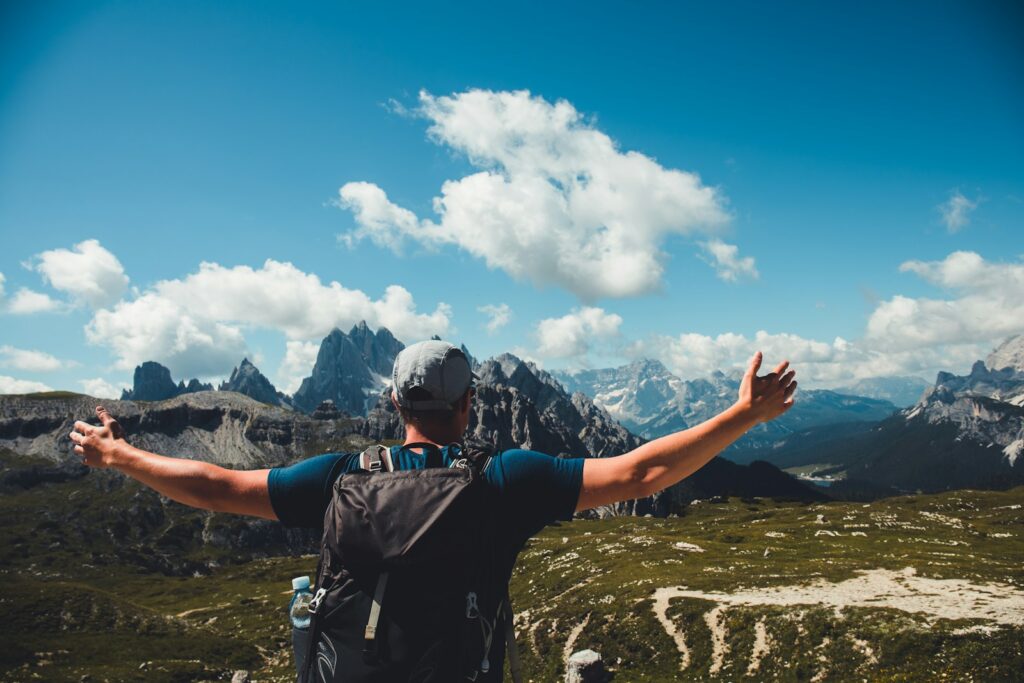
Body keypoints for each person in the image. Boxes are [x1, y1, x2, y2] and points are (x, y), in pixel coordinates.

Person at [69, 340, 796, 677]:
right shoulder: (507, 478)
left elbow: (216, 485)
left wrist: (120, 455)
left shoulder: (341, 475)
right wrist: (741, 416)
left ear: (392, 404)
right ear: (469, 405)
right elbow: (644, 471)